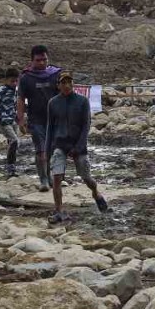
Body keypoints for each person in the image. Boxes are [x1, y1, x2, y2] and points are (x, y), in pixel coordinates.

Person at [46, 71, 108, 223]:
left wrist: (79, 146)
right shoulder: (53, 103)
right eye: (63, 83)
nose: (67, 85)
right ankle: (59, 210)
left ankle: (96, 193)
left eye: (69, 82)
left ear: (73, 84)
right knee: (57, 178)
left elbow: (86, 126)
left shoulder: (82, 101)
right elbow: (50, 128)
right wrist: (47, 152)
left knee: (86, 178)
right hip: (60, 144)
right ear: (58, 85)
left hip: (78, 145)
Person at [18, 45, 61, 192]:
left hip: (55, 119)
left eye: (44, 59)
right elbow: (21, 99)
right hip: (36, 120)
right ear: (32, 61)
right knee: (41, 151)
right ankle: (43, 179)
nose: (42, 63)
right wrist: (21, 119)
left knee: (53, 151)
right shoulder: (25, 78)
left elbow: (65, 94)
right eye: (38, 60)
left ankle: (50, 176)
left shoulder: (56, 74)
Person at [0, 68, 21, 177]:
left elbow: (17, 104)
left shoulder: (17, 91)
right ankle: (10, 167)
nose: (14, 83)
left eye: (16, 81)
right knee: (14, 141)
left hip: (13, 120)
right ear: (6, 80)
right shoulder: (1, 90)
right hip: (3, 121)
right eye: (12, 81)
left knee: (13, 143)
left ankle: (12, 168)